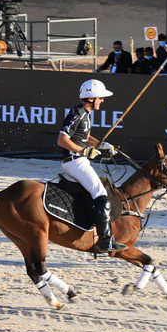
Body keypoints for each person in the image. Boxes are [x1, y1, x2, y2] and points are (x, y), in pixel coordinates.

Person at [57, 79, 127, 253]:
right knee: (100, 193)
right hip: (74, 162)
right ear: (92, 97)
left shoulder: (85, 114)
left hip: (79, 161)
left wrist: (102, 145)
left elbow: (84, 137)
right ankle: (105, 240)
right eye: (101, 98)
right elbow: (62, 140)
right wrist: (83, 152)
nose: (102, 101)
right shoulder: (77, 113)